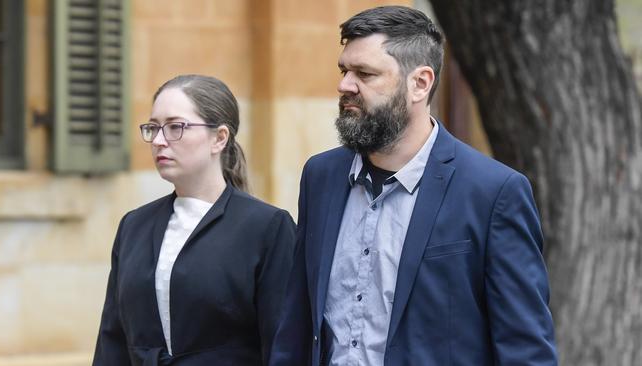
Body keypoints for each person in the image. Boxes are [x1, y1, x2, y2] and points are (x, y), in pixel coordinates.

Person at [270, 6, 557, 366]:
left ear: (420, 83)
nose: (345, 85)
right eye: (344, 70)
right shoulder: (320, 176)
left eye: (365, 73)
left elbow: (525, 349)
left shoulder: (494, 192)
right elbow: (296, 321)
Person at [93, 74, 295, 365]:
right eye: (154, 128)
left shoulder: (267, 227)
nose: (159, 141)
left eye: (175, 127)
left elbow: (282, 345)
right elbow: (112, 342)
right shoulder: (133, 226)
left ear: (219, 138)